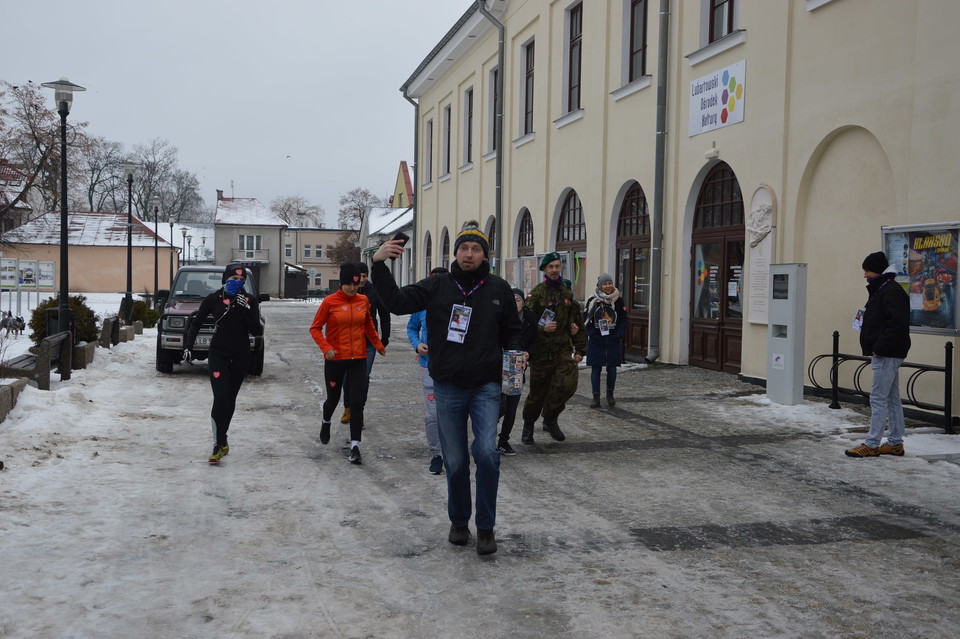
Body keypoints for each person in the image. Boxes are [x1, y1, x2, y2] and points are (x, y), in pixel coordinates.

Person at [371, 222, 525, 556]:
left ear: (485, 255)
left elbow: (513, 330)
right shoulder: (437, 286)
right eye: (464, 249)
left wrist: (517, 353)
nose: (469, 254)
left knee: (486, 452)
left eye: (476, 249)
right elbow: (397, 302)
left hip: (485, 384)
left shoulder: (498, 289)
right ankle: (459, 522)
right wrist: (379, 265)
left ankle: (485, 527)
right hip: (448, 386)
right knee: (454, 460)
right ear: (455, 253)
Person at [183, 264, 262, 464]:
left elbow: (257, 330)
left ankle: (223, 436)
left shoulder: (250, 300)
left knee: (230, 399)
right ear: (225, 280)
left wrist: (247, 310)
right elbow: (196, 322)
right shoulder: (213, 299)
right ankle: (218, 444)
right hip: (218, 353)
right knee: (220, 397)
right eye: (234, 280)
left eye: (242, 280)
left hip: (241, 355)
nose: (238, 283)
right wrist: (188, 346)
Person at [309, 263, 386, 465]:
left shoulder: (363, 300)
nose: (353, 289)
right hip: (335, 360)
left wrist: (377, 344)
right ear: (341, 284)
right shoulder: (329, 302)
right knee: (333, 399)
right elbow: (315, 329)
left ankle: (355, 446)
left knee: (356, 402)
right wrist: (327, 348)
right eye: (348, 285)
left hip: (358, 358)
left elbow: (368, 324)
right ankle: (326, 421)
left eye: (356, 285)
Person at [846, 251, 911, 458]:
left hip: (887, 353)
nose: (865, 275)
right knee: (891, 398)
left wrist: (879, 347)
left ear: (878, 270)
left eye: (867, 270)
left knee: (878, 398)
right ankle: (895, 442)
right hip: (888, 351)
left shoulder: (889, 291)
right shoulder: (884, 289)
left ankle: (872, 443)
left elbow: (897, 324)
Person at [521, 252, 587, 443]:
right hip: (541, 353)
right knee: (537, 394)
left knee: (567, 384)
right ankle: (528, 426)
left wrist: (578, 343)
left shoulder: (566, 293)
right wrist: (542, 328)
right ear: (544, 269)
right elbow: (525, 323)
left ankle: (550, 416)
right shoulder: (536, 293)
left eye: (557, 266)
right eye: (551, 267)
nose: (555, 270)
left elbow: (575, 321)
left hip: (562, 350)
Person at [406, 266, 449, 475]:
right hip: (428, 366)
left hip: (453, 367)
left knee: (452, 413)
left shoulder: (456, 304)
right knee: (433, 416)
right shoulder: (422, 305)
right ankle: (437, 454)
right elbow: (412, 327)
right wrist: (417, 345)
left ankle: (453, 452)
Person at [339, 262, 391, 426]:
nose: (361, 280)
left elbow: (384, 314)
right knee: (347, 378)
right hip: (348, 342)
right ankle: (348, 408)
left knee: (363, 378)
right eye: (358, 276)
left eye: (364, 276)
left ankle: (358, 411)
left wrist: (384, 338)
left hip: (368, 343)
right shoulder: (346, 291)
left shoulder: (374, 292)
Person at [497, 288, 537, 455]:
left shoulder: (530, 319)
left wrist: (529, 353)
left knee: (512, 408)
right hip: (498, 368)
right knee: (501, 406)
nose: (515, 303)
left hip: (518, 369)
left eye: (518, 300)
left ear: (523, 302)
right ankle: (486, 437)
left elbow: (535, 342)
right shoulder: (500, 317)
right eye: (512, 300)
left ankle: (504, 441)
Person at [584, 273, 628, 408]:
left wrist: (619, 334)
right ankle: (595, 397)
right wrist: (592, 333)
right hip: (597, 340)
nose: (608, 286)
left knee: (612, 369)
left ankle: (610, 394)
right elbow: (586, 319)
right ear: (600, 286)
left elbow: (623, 319)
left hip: (613, 340)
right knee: (596, 369)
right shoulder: (593, 300)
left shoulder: (618, 300)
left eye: (610, 283)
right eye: (605, 284)